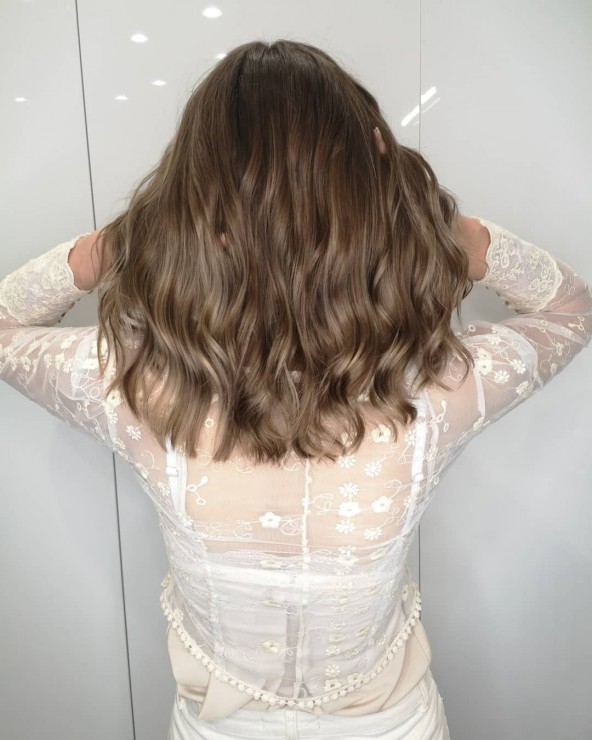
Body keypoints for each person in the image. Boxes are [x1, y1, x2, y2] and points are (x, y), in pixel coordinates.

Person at [1, 39, 590, 740]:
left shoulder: (135, 384)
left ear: (196, 201)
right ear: (368, 186)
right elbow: (570, 311)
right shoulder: (433, 385)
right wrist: (425, 216)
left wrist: (133, 236)